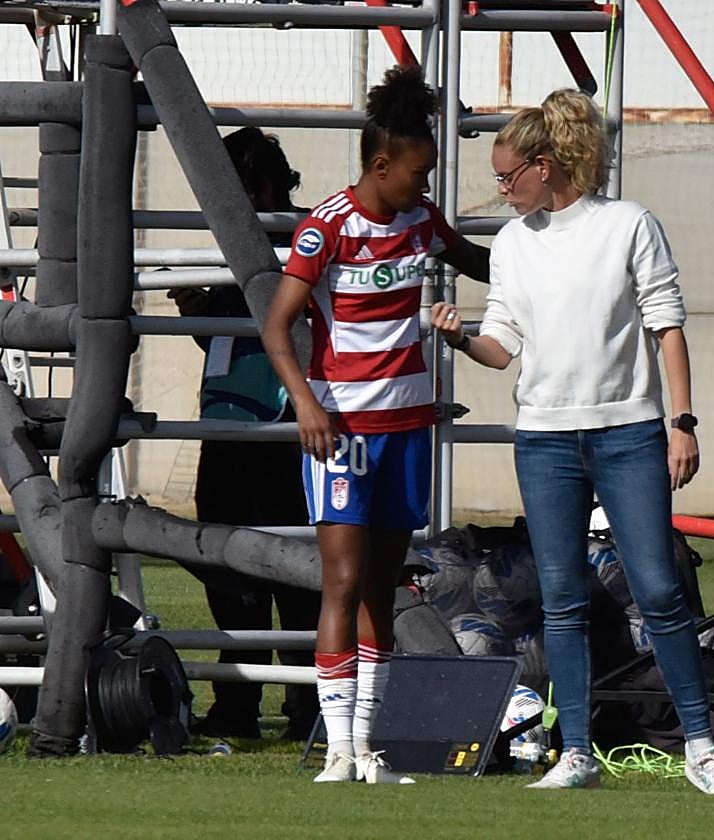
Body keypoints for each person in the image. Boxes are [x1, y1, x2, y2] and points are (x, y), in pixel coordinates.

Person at [430, 89, 714, 796]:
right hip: (544, 440)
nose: (502, 190)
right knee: (562, 597)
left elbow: (667, 325)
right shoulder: (513, 243)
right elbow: (502, 346)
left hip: (628, 433)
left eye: (508, 176)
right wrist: (459, 337)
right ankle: (575, 752)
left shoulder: (628, 225)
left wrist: (683, 423)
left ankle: (703, 745)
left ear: (546, 167)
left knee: (661, 589)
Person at [262, 66, 489, 784]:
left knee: (383, 587)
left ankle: (369, 749)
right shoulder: (326, 228)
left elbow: (477, 260)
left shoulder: (421, 221)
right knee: (344, 579)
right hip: (343, 432)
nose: (424, 190)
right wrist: (306, 402)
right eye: (417, 175)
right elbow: (278, 326)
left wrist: (547, 245)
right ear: (380, 164)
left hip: (405, 429)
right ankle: (335, 751)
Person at [170, 126, 321, 742]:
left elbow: (279, 325)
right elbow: (236, 337)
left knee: (290, 566)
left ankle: (306, 699)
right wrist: (198, 310)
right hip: (227, 423)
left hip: (284, 426)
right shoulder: (234, 246)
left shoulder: (298, 241)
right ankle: (239, 700)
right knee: (225, 564)